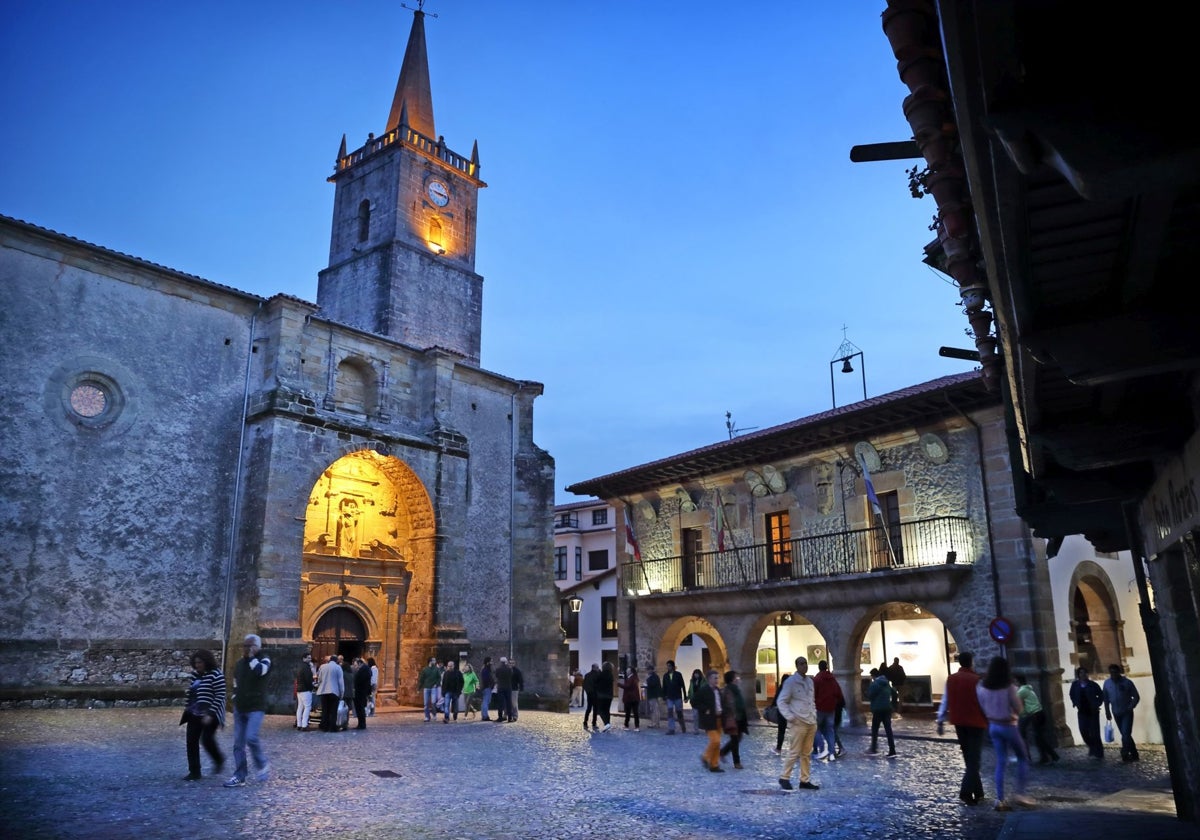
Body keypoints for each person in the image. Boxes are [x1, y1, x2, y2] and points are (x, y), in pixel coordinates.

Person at [976, 656, 1033, 810]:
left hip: (993, 726)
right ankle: (1020, 794)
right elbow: (1019, 708)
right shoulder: (1009, 687)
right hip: (1009, 726)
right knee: (1023, 757)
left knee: (1001, 762)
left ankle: (1000, 799)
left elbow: (982, 706)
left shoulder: (982, 688)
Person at [936, 651, 988, 805]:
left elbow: (945, 700)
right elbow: (982, 702)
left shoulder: (951, 679)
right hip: (976, 722)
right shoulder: (976, 680)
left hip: (959, 722)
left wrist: (940, 720)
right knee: (974, 760)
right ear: (971, 662)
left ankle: (978, 792)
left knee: (968, 757)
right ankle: (966, 792)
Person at [223, 634, 271, 787]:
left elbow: (260, 671)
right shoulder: (239, 663)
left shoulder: (264, 660)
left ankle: (262, 763)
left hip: (256, 707)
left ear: (257, 647)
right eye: (244, 645)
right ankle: (239, 775)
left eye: (249, 645)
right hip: (241, 707)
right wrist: (235, 697)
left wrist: (251, 658)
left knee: (251, 737)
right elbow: (236, 681)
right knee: (238, 744)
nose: (246, 648)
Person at [180, 648, 225, 780]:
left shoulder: (216, 675)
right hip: (194, 713)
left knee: (206, 739)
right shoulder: (195, 675)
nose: (197, 665)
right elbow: (192, 693)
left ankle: (218, 759)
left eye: (200, 662)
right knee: (191, 741)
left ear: (207, 661)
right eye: (196, 663)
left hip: (212, 714)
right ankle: (194, 771)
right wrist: (188, 709)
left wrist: (210, 714)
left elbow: (220, 695)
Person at [777, 656, 819, 790]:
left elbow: (811, 700)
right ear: (797, 666)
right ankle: (784, 777)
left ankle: (804, 780)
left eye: (805, 663)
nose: (804, 666)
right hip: (798, 721)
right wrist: (791, 717)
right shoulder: (790, 682)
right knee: (794, 751)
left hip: (810, 721)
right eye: (801, 664)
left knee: (806, 753)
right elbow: (781, 701)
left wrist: (814, 715)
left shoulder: (810, 681)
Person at [1015, 674, 1058, 763]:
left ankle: (1053, 755)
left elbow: (1018, 705)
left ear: (1018, 681)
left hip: (1035, 715)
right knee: (1039, 738)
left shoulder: (1021, 691)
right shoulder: (1029, 689)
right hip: (1040, 713)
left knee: (1039, 739)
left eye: (1015, 681)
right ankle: (1045, 757)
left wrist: (1019, 715)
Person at [1103, 663, 1141, 762]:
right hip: (1116, 712)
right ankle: (1134, 753)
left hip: (1126, 712)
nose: (1113, 674)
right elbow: (1106, 699)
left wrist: (1130, 707)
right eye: (1111, 672)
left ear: (1119, 672)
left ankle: (1124, 753)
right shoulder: (1107, 684)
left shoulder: (1127, 683)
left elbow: (1136, 696)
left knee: (1125, 734)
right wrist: (1107, 712)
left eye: (1115, 672)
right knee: (1126, 734)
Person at [1069, 666, 1104, 759]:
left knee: (1095, 733)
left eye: (1084, 672)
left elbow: (1100, 695)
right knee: (1083, 730)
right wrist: (1075, 703)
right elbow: (1072, 694)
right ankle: (1092, 746)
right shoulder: (1075, 685)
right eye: (1081, 673)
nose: (1083, 674)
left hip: (1093, 711)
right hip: (1082, 711)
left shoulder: (1092, 684)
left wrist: (1097, 704)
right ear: (1078, 675)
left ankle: (1099, 752)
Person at [812, 660, 843, 762]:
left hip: (820, 708)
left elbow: (813, 694)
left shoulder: (817, 679)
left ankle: (822, 749)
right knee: (830, 730)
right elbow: (838, 693)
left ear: (819, 667)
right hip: (831, 709)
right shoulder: (833, 679)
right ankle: (831, 753)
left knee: (815, 728)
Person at [693, 669, 723, 772]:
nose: (717, 680)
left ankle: (714, 765)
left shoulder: (718, 690)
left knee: (718, 744)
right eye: (715, 678)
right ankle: (705, 757)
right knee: (715, 740)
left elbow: (719, 703)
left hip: (719, 719)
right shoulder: (704, 690)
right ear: (709, 679)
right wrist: (705, 709)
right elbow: (694, 701)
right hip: (709, 720)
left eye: (717, 678)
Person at [718, 670, 748, 769]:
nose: (738, 679)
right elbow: (729, 705)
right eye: (736, 678)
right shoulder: (729, 690)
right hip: (733, 718)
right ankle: (736, 762)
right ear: (732, 680)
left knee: (737, 738)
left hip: (738, 717)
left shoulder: (735, 689)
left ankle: (722, 752)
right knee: (735, 740)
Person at [867, 667, 898, 756]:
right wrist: (893, 704)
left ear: (873, 676)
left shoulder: (875, 684)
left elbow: (870, 695)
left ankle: (873, 748)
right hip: (887, 709)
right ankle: (892, 750)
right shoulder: (887, 683)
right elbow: (894, 693)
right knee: (888, 730)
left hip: (877, 709)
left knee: (875, 729)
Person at [662, 660, 687, 734]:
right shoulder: (665, 676)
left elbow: (683, 686)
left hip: (677, 696)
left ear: (673, 666)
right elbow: (664, 687)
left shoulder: (678, 674)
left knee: (679, 712)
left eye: (669, 666)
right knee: (670, 712)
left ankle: (682, 726)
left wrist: (685, 696)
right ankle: (671, 729)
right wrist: (664, 696)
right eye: (667, 666)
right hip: (669, 697)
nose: (668, 667)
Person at [772, 669, 791, 754]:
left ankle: (779, 748)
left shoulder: (781, 688)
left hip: (782, 712)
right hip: (792, 711)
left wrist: (771, 706)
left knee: (781, 730)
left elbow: (776, 699)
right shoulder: (791, 688)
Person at [295, 652, 315, 731]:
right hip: (306, 690)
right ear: (304, 658)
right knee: (307, 707)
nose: (310, 659)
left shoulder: (300, 666)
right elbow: (308, 679)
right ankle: (304, 725)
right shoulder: (306, 667)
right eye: (308, 658)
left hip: (299, 689)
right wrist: (312, 686)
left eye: (310, 658)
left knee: (300, 707)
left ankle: (299, 724)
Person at [594, 661, 615, 731]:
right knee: (607, 710)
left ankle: (606, 723)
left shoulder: (601, 674)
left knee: (600, 710)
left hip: (601, 695)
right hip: (609, 695)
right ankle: (607, 724)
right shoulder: (611, 675)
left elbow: (596, 682)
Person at [419, 657, 442, 722]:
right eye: (434, 660)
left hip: (433, 688)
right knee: (426, 704)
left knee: (433, 702)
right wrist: (419, 688)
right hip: (426, 688)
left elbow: (439, 678)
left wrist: (436, 684)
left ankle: (434, 714)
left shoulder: (436, 669)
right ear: (430, 661)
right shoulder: (425, 669)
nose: (435, 661)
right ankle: (427, 716)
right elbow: (421, 679)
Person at [352, 657, 372, 729]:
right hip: (361, 692)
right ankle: (361, 724)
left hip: (361, 692)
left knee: (360, 708)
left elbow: (361, 680)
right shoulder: (365, 669)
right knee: (360, 709)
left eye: (356, 665)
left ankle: (362, 724)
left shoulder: (364, 670)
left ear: (360, 663)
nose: (355, 667)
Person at [493, 657, 513, 723]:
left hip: (501, 687)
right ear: (506, 662)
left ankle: (500, 717)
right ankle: (510, 718)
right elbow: (511, 676)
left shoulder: (498, 669)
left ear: (500, 662)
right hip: (508, 687)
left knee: (500, 703)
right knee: (509, 703)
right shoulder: (509, 669)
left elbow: (496, 676)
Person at [621, 666, 641, 731]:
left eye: (628, 670)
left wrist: (619, 684)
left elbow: (627, 686)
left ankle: (626, 725)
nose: (626, 671)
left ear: (630, 672)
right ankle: (636, 726)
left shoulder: (631, 678)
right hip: (634, 698)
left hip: (630, 698)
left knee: (628, 713)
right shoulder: (634, 677)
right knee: (635, 712)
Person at [582, 663, 600, 730]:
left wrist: (587, 692)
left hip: (589, 694)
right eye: (597, 667)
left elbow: (584, 685)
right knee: (595, 709)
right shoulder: (598, 675)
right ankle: (594, 722)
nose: (598, 668)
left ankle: (585, 722)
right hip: (595, 695)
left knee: (588, 709)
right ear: (594, 668)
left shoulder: (587, 675)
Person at [689, 669, 706, 734]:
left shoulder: (704, 681)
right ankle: (696, 730)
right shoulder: (692, 681)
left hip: (701, 700)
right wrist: (688, 697)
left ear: (700, 674)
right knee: (695, 715)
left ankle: (705, 729)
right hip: (694, 700)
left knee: (703, 715)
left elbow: (706, 689)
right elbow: (690, 690)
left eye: (697, 673)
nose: (696, 675)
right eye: (695, 673)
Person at [479, 656, 496, 721]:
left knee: (486, 701)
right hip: (487, 687)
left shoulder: (485, 669)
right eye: (491, 661)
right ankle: (485, 716)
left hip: (486, 687)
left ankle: (484, 715)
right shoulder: (485, 669)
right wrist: (492, 684)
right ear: (487, 662)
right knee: (486, 701)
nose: (492, 663)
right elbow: (486, 679)